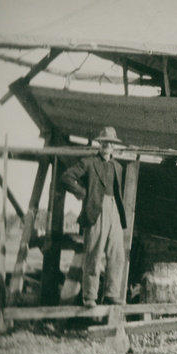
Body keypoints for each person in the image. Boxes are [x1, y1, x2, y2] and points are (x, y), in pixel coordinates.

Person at [60, 126, 128, 307]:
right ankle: (89, 296)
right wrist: (83, 193)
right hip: (96, 211)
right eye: (104, 142)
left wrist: (116, 211)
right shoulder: (88, 162)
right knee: (94, 253)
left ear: (114, 146)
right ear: (100, 144)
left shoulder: (118, 167)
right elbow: (66, 177)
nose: (107, 145)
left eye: (110, 143)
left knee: (117, 254)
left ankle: (112, 294)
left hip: (114, 210)